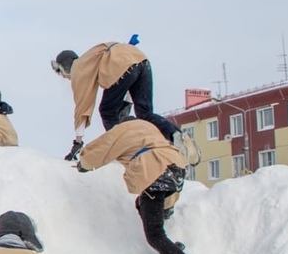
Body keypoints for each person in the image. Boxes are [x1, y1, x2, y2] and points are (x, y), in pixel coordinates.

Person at [77, 117, 211, 254]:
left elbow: (102, 148)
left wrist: (84, 163)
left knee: (154, 234)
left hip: (154, 171)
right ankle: (168, 249)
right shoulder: (148, 128)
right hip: (175, 168)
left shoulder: (123, 130)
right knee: (143, 204)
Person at [51, 40, 190, 163]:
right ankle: (176, 135)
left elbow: (82, 106)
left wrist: (78, 142)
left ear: (65, 66)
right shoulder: (91, 57)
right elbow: (128, 80)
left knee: (107, 111)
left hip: (122, 66)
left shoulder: (78, 69)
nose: (63, 77)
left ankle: (122, 149)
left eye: (60, 72)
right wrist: (126, 105)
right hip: (141, 60)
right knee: (145, 113)